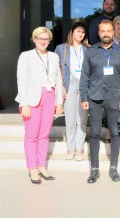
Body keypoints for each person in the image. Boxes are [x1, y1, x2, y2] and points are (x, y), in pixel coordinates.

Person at [80, 20, 120, 184]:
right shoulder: (91, 51)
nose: (106, 33)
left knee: (114, 132)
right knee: (94, 133)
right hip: (94, 97)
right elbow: (84, 76)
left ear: (113, 32)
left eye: (109, 30)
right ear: (99, 33)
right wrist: (84, 97)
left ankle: (113, 167)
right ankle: (94, 169)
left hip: (114, 97)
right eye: (103, 31)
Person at [16, 27, 64, 184]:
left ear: (49, 41)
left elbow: (58, 80)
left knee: (44, 134)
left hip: (50, 97)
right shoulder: (26, 56)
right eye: (40, 38)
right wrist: (25, 104)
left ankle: (41, 165)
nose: (43, 41)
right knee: (31, 135)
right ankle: (32, 168)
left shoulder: (54, 56)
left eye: (46, 39)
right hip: (32, 99)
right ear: (34, 39)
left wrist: (59, 102)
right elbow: (21, 81)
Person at [55, 22, 90, 161]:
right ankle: (70, 148)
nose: (80, 34)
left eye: (83, 32)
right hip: (69, 87)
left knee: (82, 120)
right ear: (72, 32)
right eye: (78, 31)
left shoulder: (88, 49)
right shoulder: (61, 48)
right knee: (70, 119)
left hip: (84, 88)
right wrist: (61, 86)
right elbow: (56, 70)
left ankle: (79, 148)